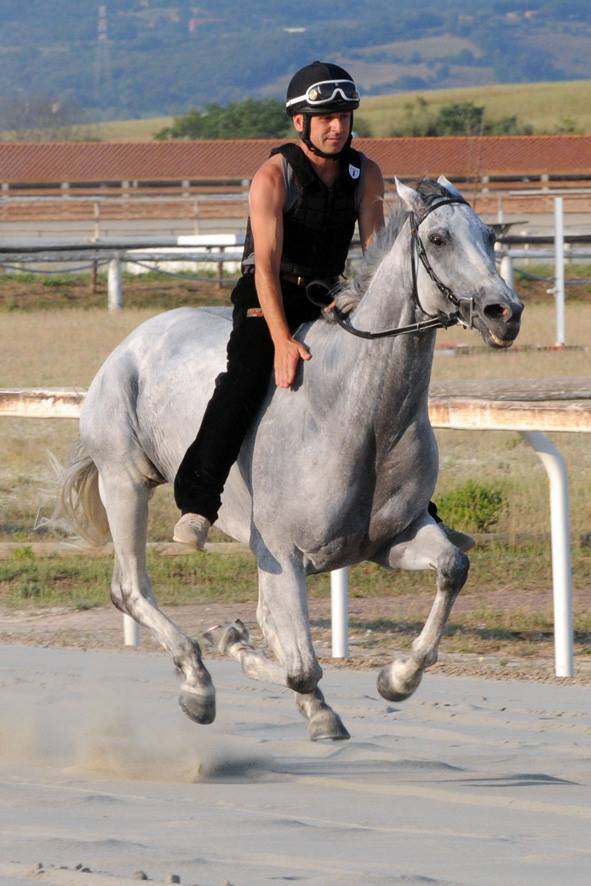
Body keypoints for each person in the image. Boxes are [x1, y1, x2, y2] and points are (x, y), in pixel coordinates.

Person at [173, 60, 473, 553]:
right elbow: (264, 269)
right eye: (326, 118)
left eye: (345, 117)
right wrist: (281, 340)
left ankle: (418, 511)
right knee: (243, 380)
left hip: (328, 295)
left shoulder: (364, 172)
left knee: (386, 383)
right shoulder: (273, 176)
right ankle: (199, 503)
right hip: (268, 295)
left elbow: (377, 254)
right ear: (300, 123)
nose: (338, 127)